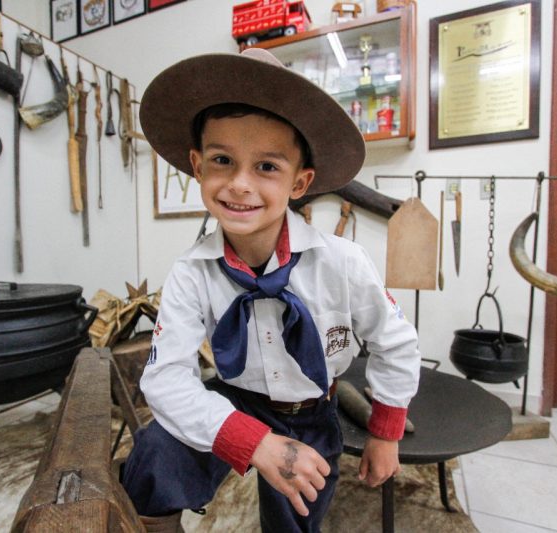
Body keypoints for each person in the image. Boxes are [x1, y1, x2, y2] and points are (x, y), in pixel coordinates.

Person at [121, 48, 421, 533]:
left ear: (300, 182)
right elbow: (165, 379)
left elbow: (396, 342)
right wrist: (252, 441)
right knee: (154, 456)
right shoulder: (191, 272)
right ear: (198, 166)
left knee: (297, 518)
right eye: (222, 160)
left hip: (312, 409)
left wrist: (385, 434)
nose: (239, 185)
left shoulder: (342, 261)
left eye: (266, 167)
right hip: (238, 399)